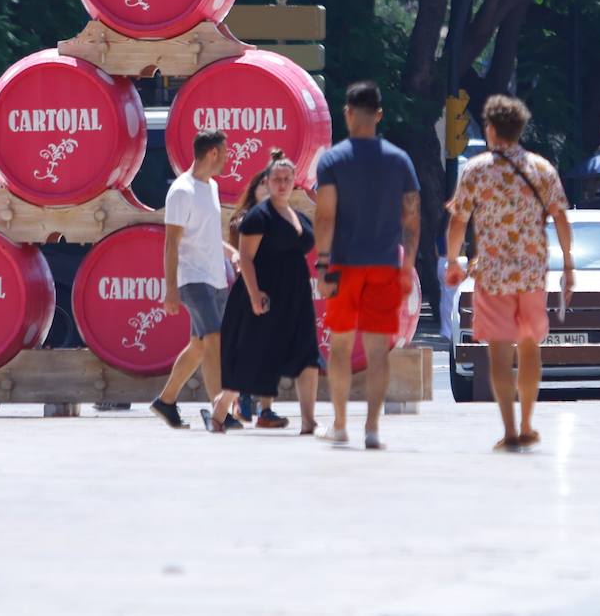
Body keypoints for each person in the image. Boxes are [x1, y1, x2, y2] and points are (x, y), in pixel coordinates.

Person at [446, 95, 573, 452]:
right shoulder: (542, 169)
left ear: (489, 128)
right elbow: (561, 218)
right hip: (532, 273)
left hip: (493, 275)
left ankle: (509, 429)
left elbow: (459, 220)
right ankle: (529, 423)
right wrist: (568, 262)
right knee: (531, 349)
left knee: (499, 354)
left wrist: (453, 260)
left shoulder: (476, 170)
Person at [313, 81, 420, 450]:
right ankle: (372, 428)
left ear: (346, 113)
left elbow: (325, 218)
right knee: (378, 351)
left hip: (344, 265)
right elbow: (412, 220)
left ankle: (341, 424)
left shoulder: (332, 160)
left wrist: (323, 264)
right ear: (379, 114)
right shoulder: (399, 160)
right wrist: (407, 267)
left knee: (340, 348)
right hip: (385, 266)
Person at [206, 151, 321, 435]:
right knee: (252, 357)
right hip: (265, 294)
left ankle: (308, 421)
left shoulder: (300, 217)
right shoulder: (259, 216)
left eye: (287, 179)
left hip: (296, 295)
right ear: (268, 182)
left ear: (295, 182)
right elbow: (245, 258)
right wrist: (255, 294)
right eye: (276, 179)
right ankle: (221, 410)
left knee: (308, 356)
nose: (282, 184)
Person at [150, 130, 235, 430]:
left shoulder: (211, 187)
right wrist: (170, 289)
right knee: (214, 339)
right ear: (212, 153)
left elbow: (208, 236)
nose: (227, 158)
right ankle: (220, 413)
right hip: (192, 279)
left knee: (199, 345)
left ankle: (166, 401)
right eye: (225, 152)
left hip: (215, 278)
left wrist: (231, 253)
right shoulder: (181, 191)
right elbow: (171, 243)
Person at [227, 168, 284, 428]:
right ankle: (240, 398)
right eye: (263, 183)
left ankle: (267, 409)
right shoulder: (243, 218)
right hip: (248, 288)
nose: (267, 188)